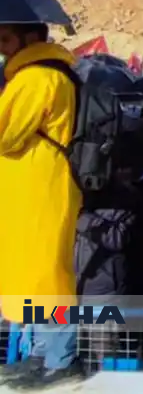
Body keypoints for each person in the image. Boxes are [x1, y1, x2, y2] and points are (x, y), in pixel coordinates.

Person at [0, 22, 82, 389]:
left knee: (49, 276)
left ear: (30, 38)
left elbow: (5, 133)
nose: (1, 47)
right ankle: (38, 357)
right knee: (33, 275)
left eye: (5, 38)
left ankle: (60, 361)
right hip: (31, 187)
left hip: (43, 187)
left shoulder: (37, 78)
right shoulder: (34, 76)